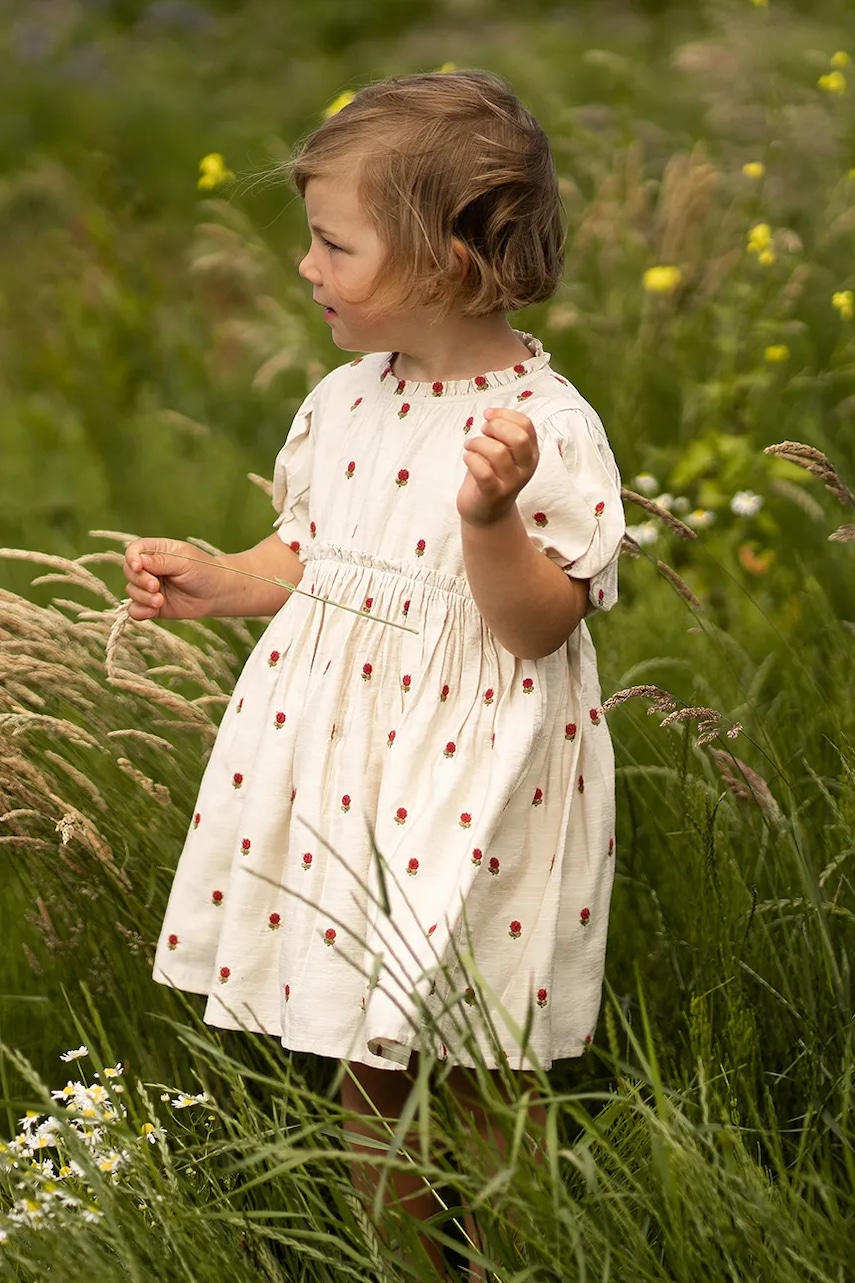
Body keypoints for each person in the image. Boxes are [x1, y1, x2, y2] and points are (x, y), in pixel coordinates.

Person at [123, 70, 624, 1274]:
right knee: (361, 1041)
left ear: (448, 258)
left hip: (478, 777)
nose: (307, 266)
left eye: (334, 244)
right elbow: (317, 556)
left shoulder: (541, 427)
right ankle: (399, 1261)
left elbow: (535, 627)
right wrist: (221, 577)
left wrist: (489, 519)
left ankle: (509, 1257)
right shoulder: (346, 400)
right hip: (345, 769)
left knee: (481, 1054)